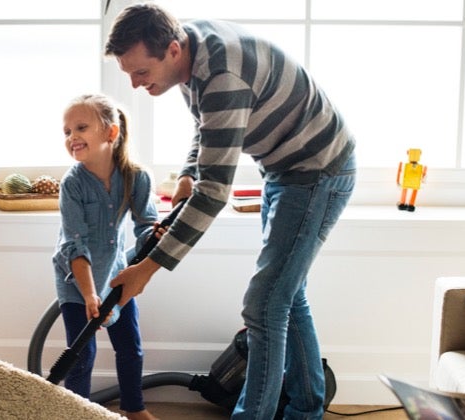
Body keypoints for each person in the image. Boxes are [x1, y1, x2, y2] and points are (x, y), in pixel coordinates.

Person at [104, 4, 356, 419]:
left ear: (171, 49)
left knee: (264, 305)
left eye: (141, 73)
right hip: (282, 169)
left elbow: (213, 194)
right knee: (286, 297)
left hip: (317, 171)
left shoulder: (222, 74)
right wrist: (189, 171)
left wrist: (146, 268)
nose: (134, 84)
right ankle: (307, 408)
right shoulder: (189, 53)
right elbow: (211, 126)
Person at [52, 93, 160, 420]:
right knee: (82, 354)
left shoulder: (136, 177)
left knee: (130, 348)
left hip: (117, 275)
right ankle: (78, 413)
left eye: (81, 127)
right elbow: (75, 245)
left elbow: (145, 227)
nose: (72, 137)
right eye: (66, 131)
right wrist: (88, 294)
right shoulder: (73, 184)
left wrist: (154, 234)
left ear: (111, 133)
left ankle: (134, 408)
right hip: (76, 281)